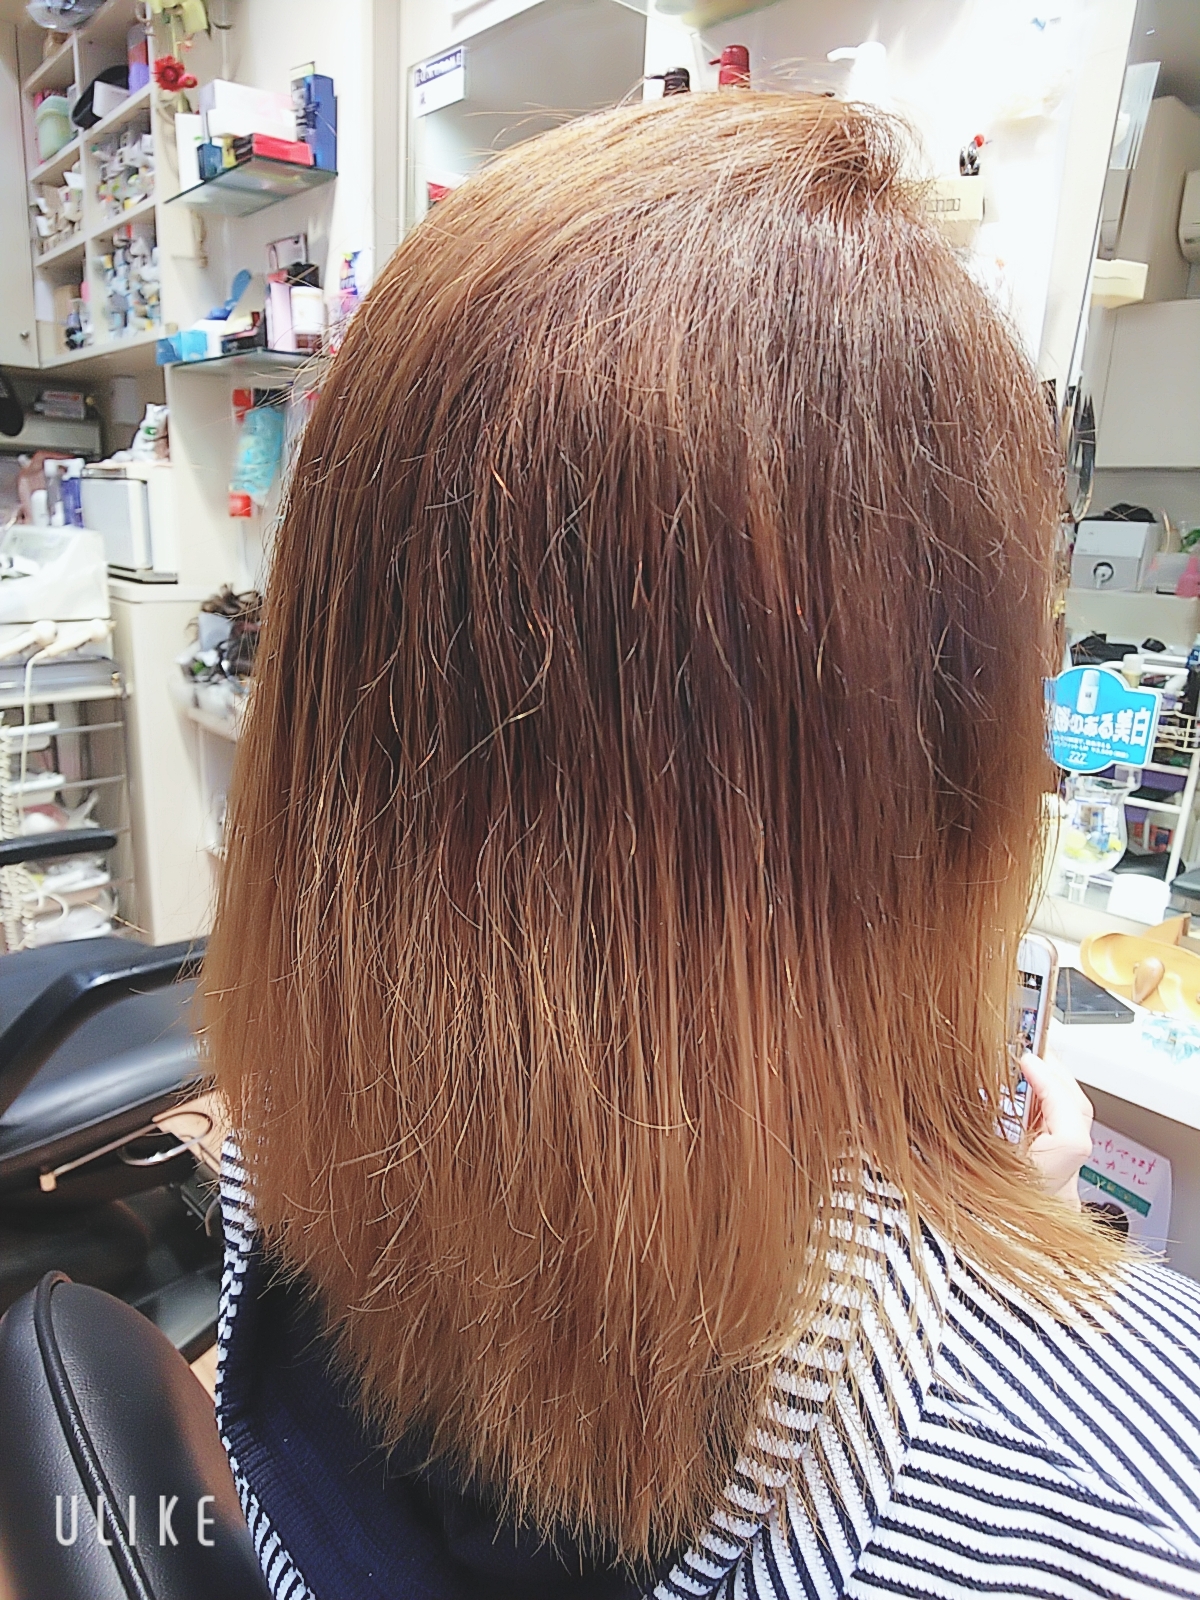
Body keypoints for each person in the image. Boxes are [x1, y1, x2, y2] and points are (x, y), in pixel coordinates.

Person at [204, 92, 1200, 1599]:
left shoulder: (279, 1140)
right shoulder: (1118, 1510)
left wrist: (974, 1243)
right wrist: (1018, 1288)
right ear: (943, 745)